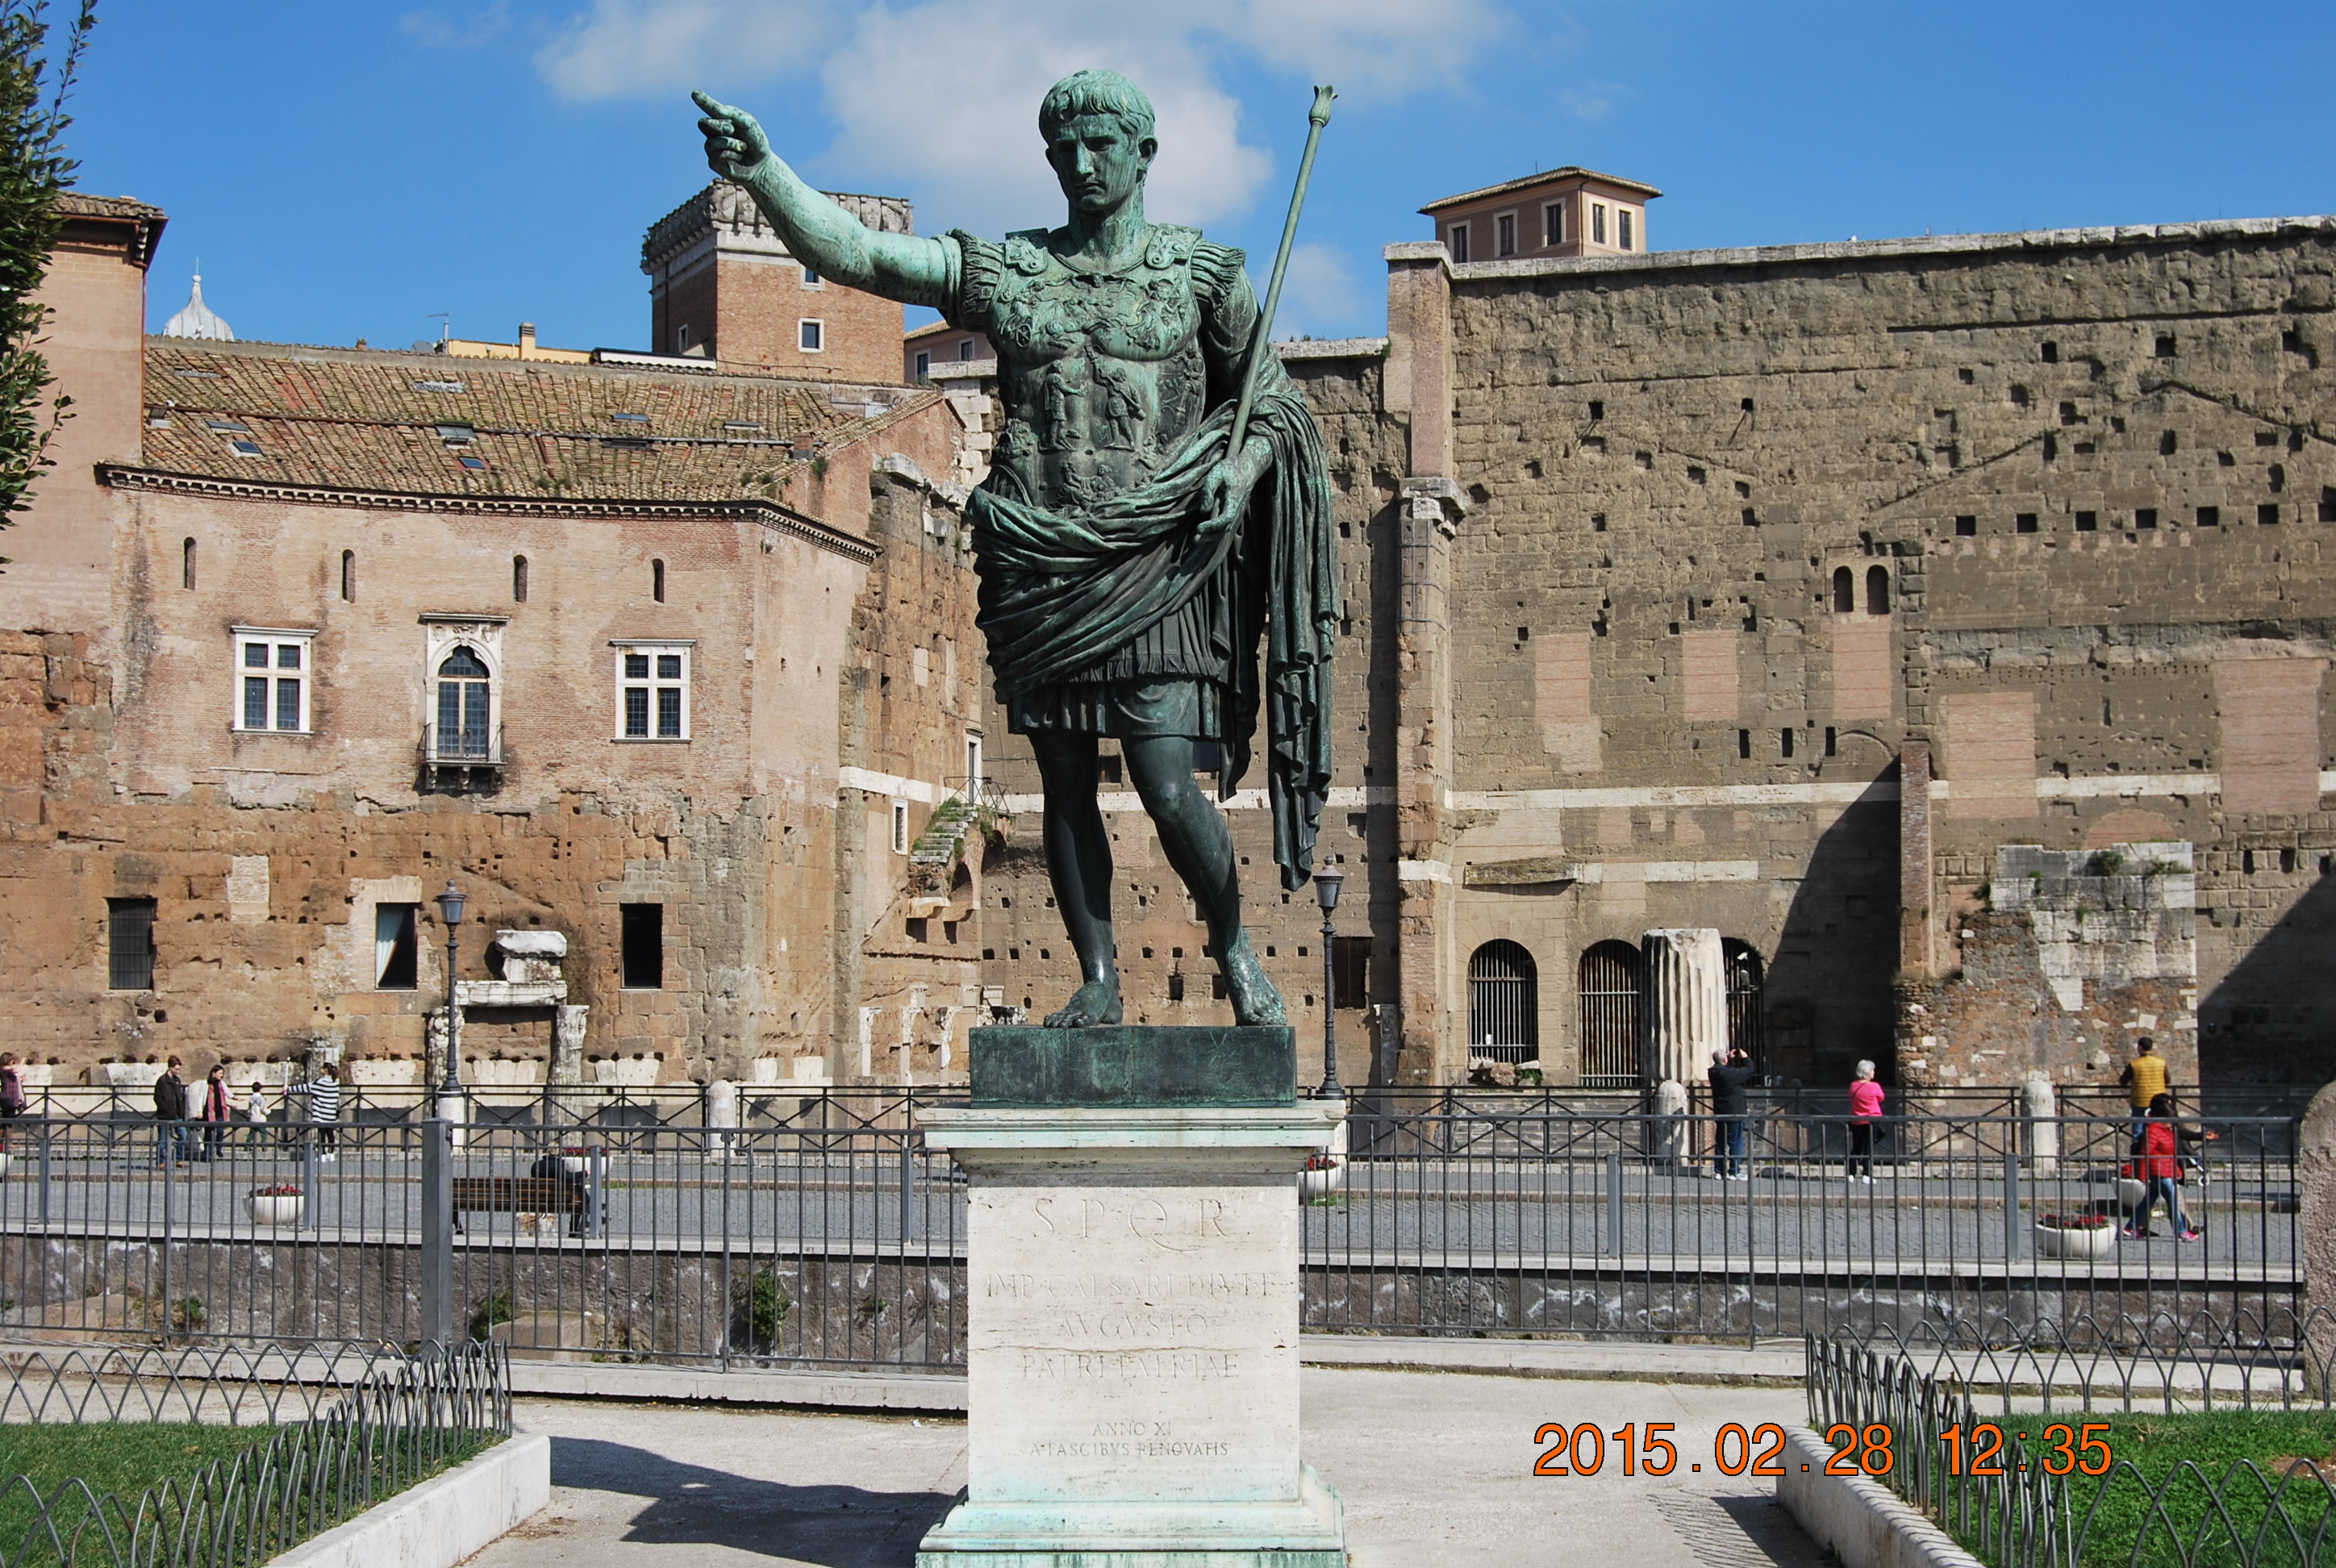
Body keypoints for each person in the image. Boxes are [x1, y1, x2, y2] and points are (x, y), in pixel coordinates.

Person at [693, 70, 1338, 1030]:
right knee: (1064, 781)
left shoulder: (1201, 275)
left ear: (1144, 155)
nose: (1081, 163)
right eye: (1063, 149)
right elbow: (859, 254)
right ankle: (1097, 979)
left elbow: (1272, 401)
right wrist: (766, 175)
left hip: (1155, 558)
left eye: (1100, 145)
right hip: (1038, 560)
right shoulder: (1009, 273)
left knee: (1166, 782)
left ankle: (1235, 949)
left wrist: (1240, 474)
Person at [2125, 1091, 2216, 1241]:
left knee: (2149, 1200)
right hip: (2158, 1171)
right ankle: (2181, 1232)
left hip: (2166, 1169)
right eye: (2170, 1121)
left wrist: (2177, 1169)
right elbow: (2145, 1153)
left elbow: (2175, 1146)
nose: (2173, 1124)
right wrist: (2142, 1174)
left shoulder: (2168, 1129)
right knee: (2173, 1200)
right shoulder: (2153, 1131)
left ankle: (2131, 1227)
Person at [1707, 1045, 1759, 1181]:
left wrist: (1728, 1059)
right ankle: (1734, 1171)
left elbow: (1725, 1069)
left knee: (1720, 1142)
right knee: (1736, 1143)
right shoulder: (1731, 1074)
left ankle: (1719, 1171)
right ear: (1725, 1060)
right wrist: (1745, 1057)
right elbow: (1750, 1069)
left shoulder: (1713, 1072)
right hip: (1734, 1112)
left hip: (1720, 1112)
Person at [2119, 1036, 2169, 1138]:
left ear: (2140, 1048)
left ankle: (2138, 1147)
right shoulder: (2161, 1062)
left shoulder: (2134, 1064)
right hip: (2159, 1102)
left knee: (2138, 1130)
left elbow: (2123, 1082)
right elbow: (2168, 1080)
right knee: (2160, 1128)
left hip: (2140, 1101)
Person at [1846, 1060, 1885, 1182]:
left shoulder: (1853, 1086)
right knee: (1869, 1146)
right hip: (1872, 1119)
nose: (1874, 1072)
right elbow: (1881, 1098)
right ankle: (1867, 1174)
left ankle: (1851, 1173)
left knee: (1856, 1146)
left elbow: (1851, 1097)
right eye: (1872, 1070)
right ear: (1868, 1072)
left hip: (1857, 1119)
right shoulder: (1875, 1086)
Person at [152, 1056, 190, 1167]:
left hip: (177, 1115)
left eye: (179, 1069)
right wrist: (164, 1108)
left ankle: (179, 1159)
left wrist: (181, 1110)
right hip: (164, 1115)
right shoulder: (162, 1081)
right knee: (162, 1140)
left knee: (183, 1135)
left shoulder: (177, 1080)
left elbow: (179, 1097)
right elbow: (157, 1097)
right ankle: (161, 1162)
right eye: (176, 1069)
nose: (178, 1071)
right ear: (170, 1067)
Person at [307, 1058, 341, 1162]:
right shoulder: (335, 1083)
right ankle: (331, 1153)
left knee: (321, 1134)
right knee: (330, 1134)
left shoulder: (320, 1082)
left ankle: (322, 1154)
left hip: (321, 1114)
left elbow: (306, 1087)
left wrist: (289, 1089)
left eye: (322, 1068)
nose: (320, 1069)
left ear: (325, 1070)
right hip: (331, 1113)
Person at [198, 1064, 231, 1161]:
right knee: (209, 1134)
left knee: (220, 1131)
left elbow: (227, 1092)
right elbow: (200, 1098)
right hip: (209, 1112)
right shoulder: (206, 1084)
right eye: (220, 1073)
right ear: (214, 1073)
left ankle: (218, 1149)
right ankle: (207, 1154)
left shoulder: (222, 1083)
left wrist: (235, 1097)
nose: (222, 1075)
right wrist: (199, 1111)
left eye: (222, 1073)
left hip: (220, 1112)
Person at [0, 1051, 24, 1153]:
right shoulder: (5, 1070)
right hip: (9, 1098)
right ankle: (7, 1143)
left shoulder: (5, 1070)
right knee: (8, 1122)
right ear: (7, 1060)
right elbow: (16, 1070)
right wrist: (22, 1061)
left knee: (6, 1121)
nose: (13, 1061)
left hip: (8, 1098)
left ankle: (3, 1143)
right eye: (11, 1059)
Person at [244, 1076, 269, 1147]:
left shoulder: (251, 1099)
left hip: (253, 1119)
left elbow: (249, 1110)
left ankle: (247, 1146)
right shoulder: (261, 1098)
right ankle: (264, 1147)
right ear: (260, 1089)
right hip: (260, 1120)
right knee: (263, 1134)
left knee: (251, 1134)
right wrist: (268, 1111)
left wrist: (249, 1116)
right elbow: (263, 1109)